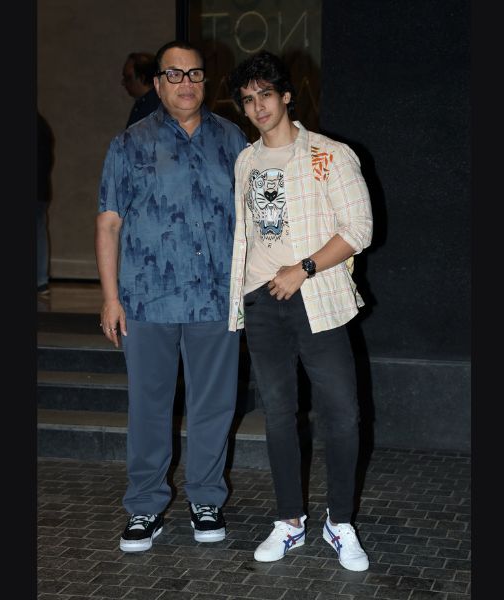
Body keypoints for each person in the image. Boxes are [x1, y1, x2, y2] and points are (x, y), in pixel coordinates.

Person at [95, 40, 248, 553]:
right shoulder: (128, 144)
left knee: (214, 406)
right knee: (148, 407)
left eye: (195, 74)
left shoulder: (233, 140)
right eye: (174, 74)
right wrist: (110, 298)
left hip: (215, 298)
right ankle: (144, 506)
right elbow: (108, 224)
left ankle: (206, 499)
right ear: (158, 84)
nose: (186, 83)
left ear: (206, 80)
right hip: (146, 300)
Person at [227, 51, 373, 571]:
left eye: (266, 94)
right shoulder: (245, 161)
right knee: (278, 415)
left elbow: (359, 230)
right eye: (248, 99)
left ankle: (340, 522)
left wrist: (303, 269)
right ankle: (289, 521)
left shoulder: (329, 155)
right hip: (262, 302)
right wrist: (248, 294)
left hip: (318, 299)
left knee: (343, 415)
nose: (258, 106)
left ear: (286, 96)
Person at [37, 111, 54, 296]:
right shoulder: (42, 125)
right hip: (41, 189)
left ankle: (40, 280)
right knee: (40, 232)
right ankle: (41, 281)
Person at [121, 52, 161, 128]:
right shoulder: (143, 103)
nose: (123, 82)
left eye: (128, 78)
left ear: (142, 78)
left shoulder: (155, 107)